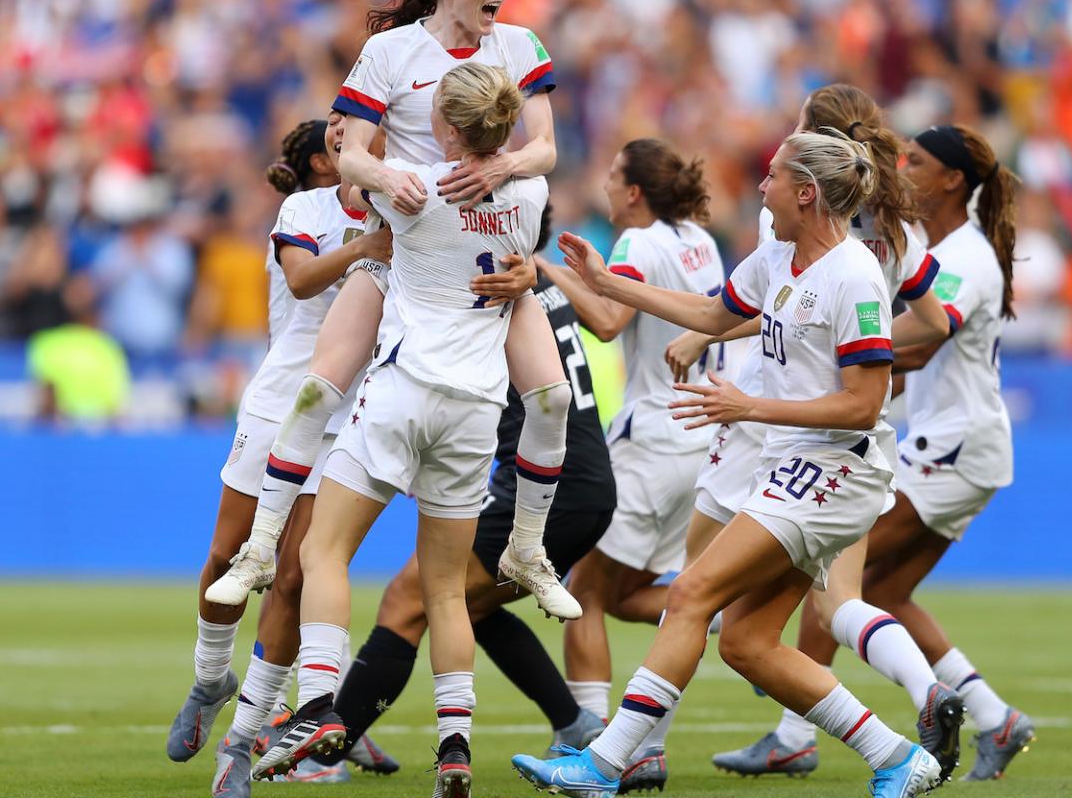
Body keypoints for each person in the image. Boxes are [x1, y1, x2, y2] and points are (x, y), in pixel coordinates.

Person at [512, 129, 941, 798]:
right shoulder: (776, 258)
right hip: (794, 467)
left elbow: (864, 404)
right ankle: (896, 757)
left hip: (837, 470)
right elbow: (712, 313)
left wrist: (751, 407)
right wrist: (606, 284)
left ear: (805, 192)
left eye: (772, 176)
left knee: (688, 594)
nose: (760, 186)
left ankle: (602, 766)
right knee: (747, 643)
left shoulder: (854, 276)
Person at [205, 0, 576, 621]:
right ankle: (260, 546)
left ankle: (528, 547)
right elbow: (348, 152)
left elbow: (546, 149)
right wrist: (383, 177)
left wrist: (502, 166)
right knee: (317, 390)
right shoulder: (391, 53)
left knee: (553, 400)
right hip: (406, 248)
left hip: (491, 256)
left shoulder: (522, 45)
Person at [252, 63, 547, 798]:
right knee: (446, 590)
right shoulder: (532, 195)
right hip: (476, 409)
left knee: (324, 550)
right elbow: (524, 198)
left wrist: (356, 127)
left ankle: (319, 706)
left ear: (444, 125)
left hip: (403, 392)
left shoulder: (410, 188)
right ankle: (454, 747)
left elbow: (352, 167)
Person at [708, 87, 965, 780]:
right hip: (851, 432)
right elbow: (937, 324)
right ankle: (857, 714)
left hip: (782, 421)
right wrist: (875, 361)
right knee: (825, 601)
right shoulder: (892, 222)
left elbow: (771, 301)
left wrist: (859, 370)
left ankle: (631, 740)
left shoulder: (795, 220)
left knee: (707, 588)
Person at [321, 204, 616, 768]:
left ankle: (331, 742)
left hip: (545, 486)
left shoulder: (490, 281)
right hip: (579, 482)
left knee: (413, 598)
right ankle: (575, 723)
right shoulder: (537, 282)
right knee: (464, 606)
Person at [164, 117, 395, 797]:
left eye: (365, 134)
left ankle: (241, 742)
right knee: (227, 555)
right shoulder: (304, 208)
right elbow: (298, 281)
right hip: (278, 404)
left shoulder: (405, 213)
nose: (353, 141)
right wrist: (371, 249)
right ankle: (210, 680)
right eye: (340, 136)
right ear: (328, 160)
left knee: (295, 578)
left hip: (344, 419)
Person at [532, 137, 726, 787]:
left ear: (636, 191)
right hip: (700, 442)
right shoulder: (700, 240)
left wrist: (551, 273)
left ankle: (587, 744)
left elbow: (611, 321)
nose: (607, 187)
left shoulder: (637, 244)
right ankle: (716, 620)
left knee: (582, 591)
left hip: (652, 440)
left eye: (614, 176)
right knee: (626, 595)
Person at [862, 123, 1034, 780]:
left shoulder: (963, 255)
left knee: (836, 568)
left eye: (919, 160)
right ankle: (995, 717)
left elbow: (927, 338)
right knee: (880, 591)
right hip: (954, 442)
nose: (904, 167)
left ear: (952, 180)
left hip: (955, 448)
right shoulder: (946, 248)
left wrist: (841, 345)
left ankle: (795, 727)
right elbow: (912, 360)